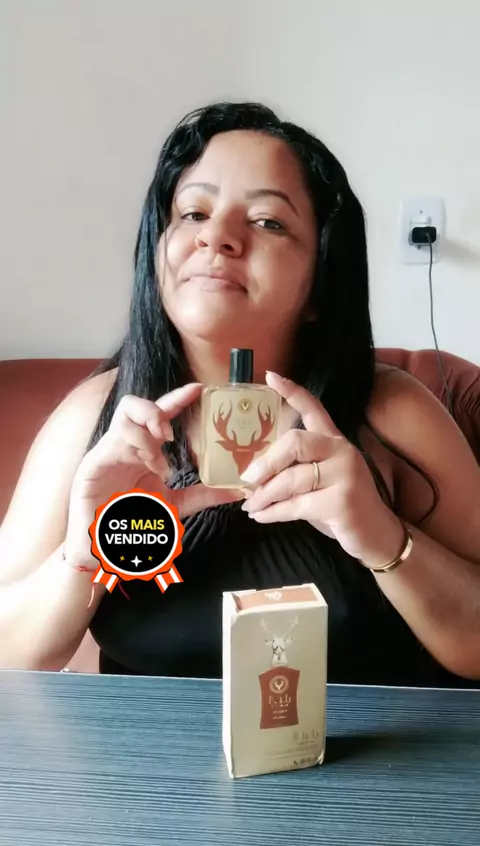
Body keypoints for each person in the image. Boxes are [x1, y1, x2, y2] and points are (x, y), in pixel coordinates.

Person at [1, 102, 479, 686]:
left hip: (369, 747)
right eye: (193, 212)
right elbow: (7, 654)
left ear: (321, 283)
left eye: (268, 221)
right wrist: (90, 552)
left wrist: (385, 540)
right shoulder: (94, 416)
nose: (216, 236)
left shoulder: (394, 411)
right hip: (145, 749)